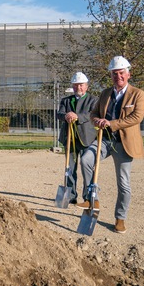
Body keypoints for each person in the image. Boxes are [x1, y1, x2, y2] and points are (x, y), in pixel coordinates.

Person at [80, 56, 144, 234]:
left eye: (121, 73)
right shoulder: (105, 93)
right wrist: (98, 121)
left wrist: (112, 123)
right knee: (86, 159)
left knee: (123, 183)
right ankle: (92, 199)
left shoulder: (138, 94)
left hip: (124, 143)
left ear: (128, 74)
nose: (118, 76)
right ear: (111, 75)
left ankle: (120, 218)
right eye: (114, 74)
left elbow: (136, 117)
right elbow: (93, 113)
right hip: (105, 140)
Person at [56, 72, 98, 204]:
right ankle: (70, 196)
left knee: (86, 167)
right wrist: (66, 115)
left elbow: (92, 115)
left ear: (86, 86)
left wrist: (77, 116)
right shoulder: (66, 100)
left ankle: (88, 196)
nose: (78, 88)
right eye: (75, 85)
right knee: (69, 168)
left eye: (81, 85)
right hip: (69, 138)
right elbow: (59, 114)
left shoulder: (93, 100)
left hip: (86, 138)